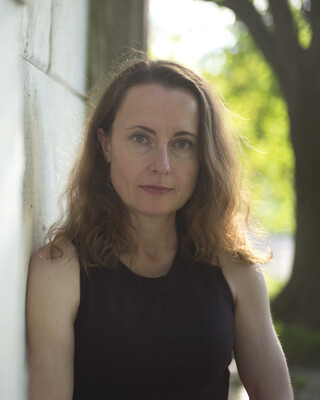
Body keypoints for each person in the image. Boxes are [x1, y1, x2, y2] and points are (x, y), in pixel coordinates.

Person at [26, 58, 293, 400]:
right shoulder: (59, 271)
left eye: (182, 143)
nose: (161, 166)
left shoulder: (235, 268)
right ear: (106, 144)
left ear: (203, 158)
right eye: (141, 139)